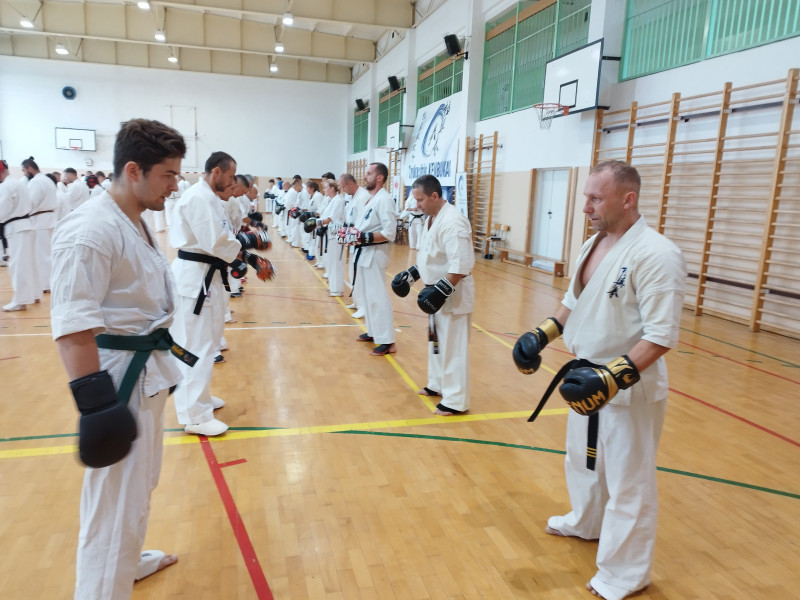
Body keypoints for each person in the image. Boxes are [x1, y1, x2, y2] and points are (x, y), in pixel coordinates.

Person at [512, 160, 686, 600]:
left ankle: (625, 574)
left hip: (629, 387)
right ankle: (586, 521)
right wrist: (540, 335)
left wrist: (610, 378)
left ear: (628, 199)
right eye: (586, 197)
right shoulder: (593, 244)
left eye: (595, 198)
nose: (585, 206)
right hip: (585, 375)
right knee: (582, 460)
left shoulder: (657, 253)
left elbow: (661, 335)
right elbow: (573, 302)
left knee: (629, 483)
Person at [50, 118, 187, 599]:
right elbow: (72, 324)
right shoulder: (91, 229)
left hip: (144, 372)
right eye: (167, 174)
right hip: (116, 380)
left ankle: (124, 561)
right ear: (133, 170)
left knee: (138, 484)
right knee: (113, 501)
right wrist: (98, 408)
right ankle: (101, 587)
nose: (174, 185)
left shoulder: (133, 217)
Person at [169, 151, 243, 436]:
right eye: (230, 176)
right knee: (194, 346)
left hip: (208, 275)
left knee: (209, 343)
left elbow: (223, 235)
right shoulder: (198, 198)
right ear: (216, 172)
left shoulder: (211, 198)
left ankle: (201, 398)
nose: (232, 181)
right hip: (195, 278)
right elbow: (216, 241)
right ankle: (195, 415)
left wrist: (240, 249)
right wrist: (245, 248)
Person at [392, 174, 474, 415]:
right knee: (436, 344)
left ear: (435, 196)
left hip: (452, 295)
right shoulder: (432, 218)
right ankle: (437, 384)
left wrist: (441, 292)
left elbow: (460, 264)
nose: (417, 205)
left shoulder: (453, 222)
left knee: (453, 348)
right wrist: (411, 275)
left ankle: (456, 400)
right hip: (434, 291)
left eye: (420, 200)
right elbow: (431, 256)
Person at [346, 162, 397, 355]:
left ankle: (388, 341)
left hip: (375, 254)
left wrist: (364, 237)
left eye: (368, 173)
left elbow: (390, 232)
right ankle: (374, 332)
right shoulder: (371, 199)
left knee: (377, 297)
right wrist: (352, 234)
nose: (364, 176)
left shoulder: (385, 199)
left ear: (379, 177)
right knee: (367, 296)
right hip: (364, 252)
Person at [0, 160, 37, 311]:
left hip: (16, 228)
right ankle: (35, 295)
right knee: (30, 263)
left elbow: (1, 210)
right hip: (26, 225)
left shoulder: (6, 186)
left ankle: (20, 301)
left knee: (18, 265)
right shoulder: (19, 183)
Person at [22, 156, 57, 296]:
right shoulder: (47, 180)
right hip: (50, 219)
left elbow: (31, 202)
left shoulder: (36, 182)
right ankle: (52, 282)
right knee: (50, 253)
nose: (24, 173)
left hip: (40, 221)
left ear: (30, 169)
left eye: (24, 170)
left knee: (42, 254)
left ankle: (46, 284)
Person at [339, 173, 370, 317]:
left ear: (350, 184)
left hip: (361, 241)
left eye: (344, 186)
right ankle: (357, 302)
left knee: (360, 276)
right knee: (352, 273)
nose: (342, 189)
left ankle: (364, 307)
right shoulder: (352, 197)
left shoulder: (363, 196)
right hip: (353, 240)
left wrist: (352, 232)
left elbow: (364, 221)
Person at [318, 179, 346, 295]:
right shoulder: (330, 200)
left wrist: (316, 223)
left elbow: (330, 219)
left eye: (326, 187)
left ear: (332, 188)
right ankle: (333, 286)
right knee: (330, 261)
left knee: (336, 263)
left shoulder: (338, 201)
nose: (324, 189)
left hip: (336, 235)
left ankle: (337, 289)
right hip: (329, 234)